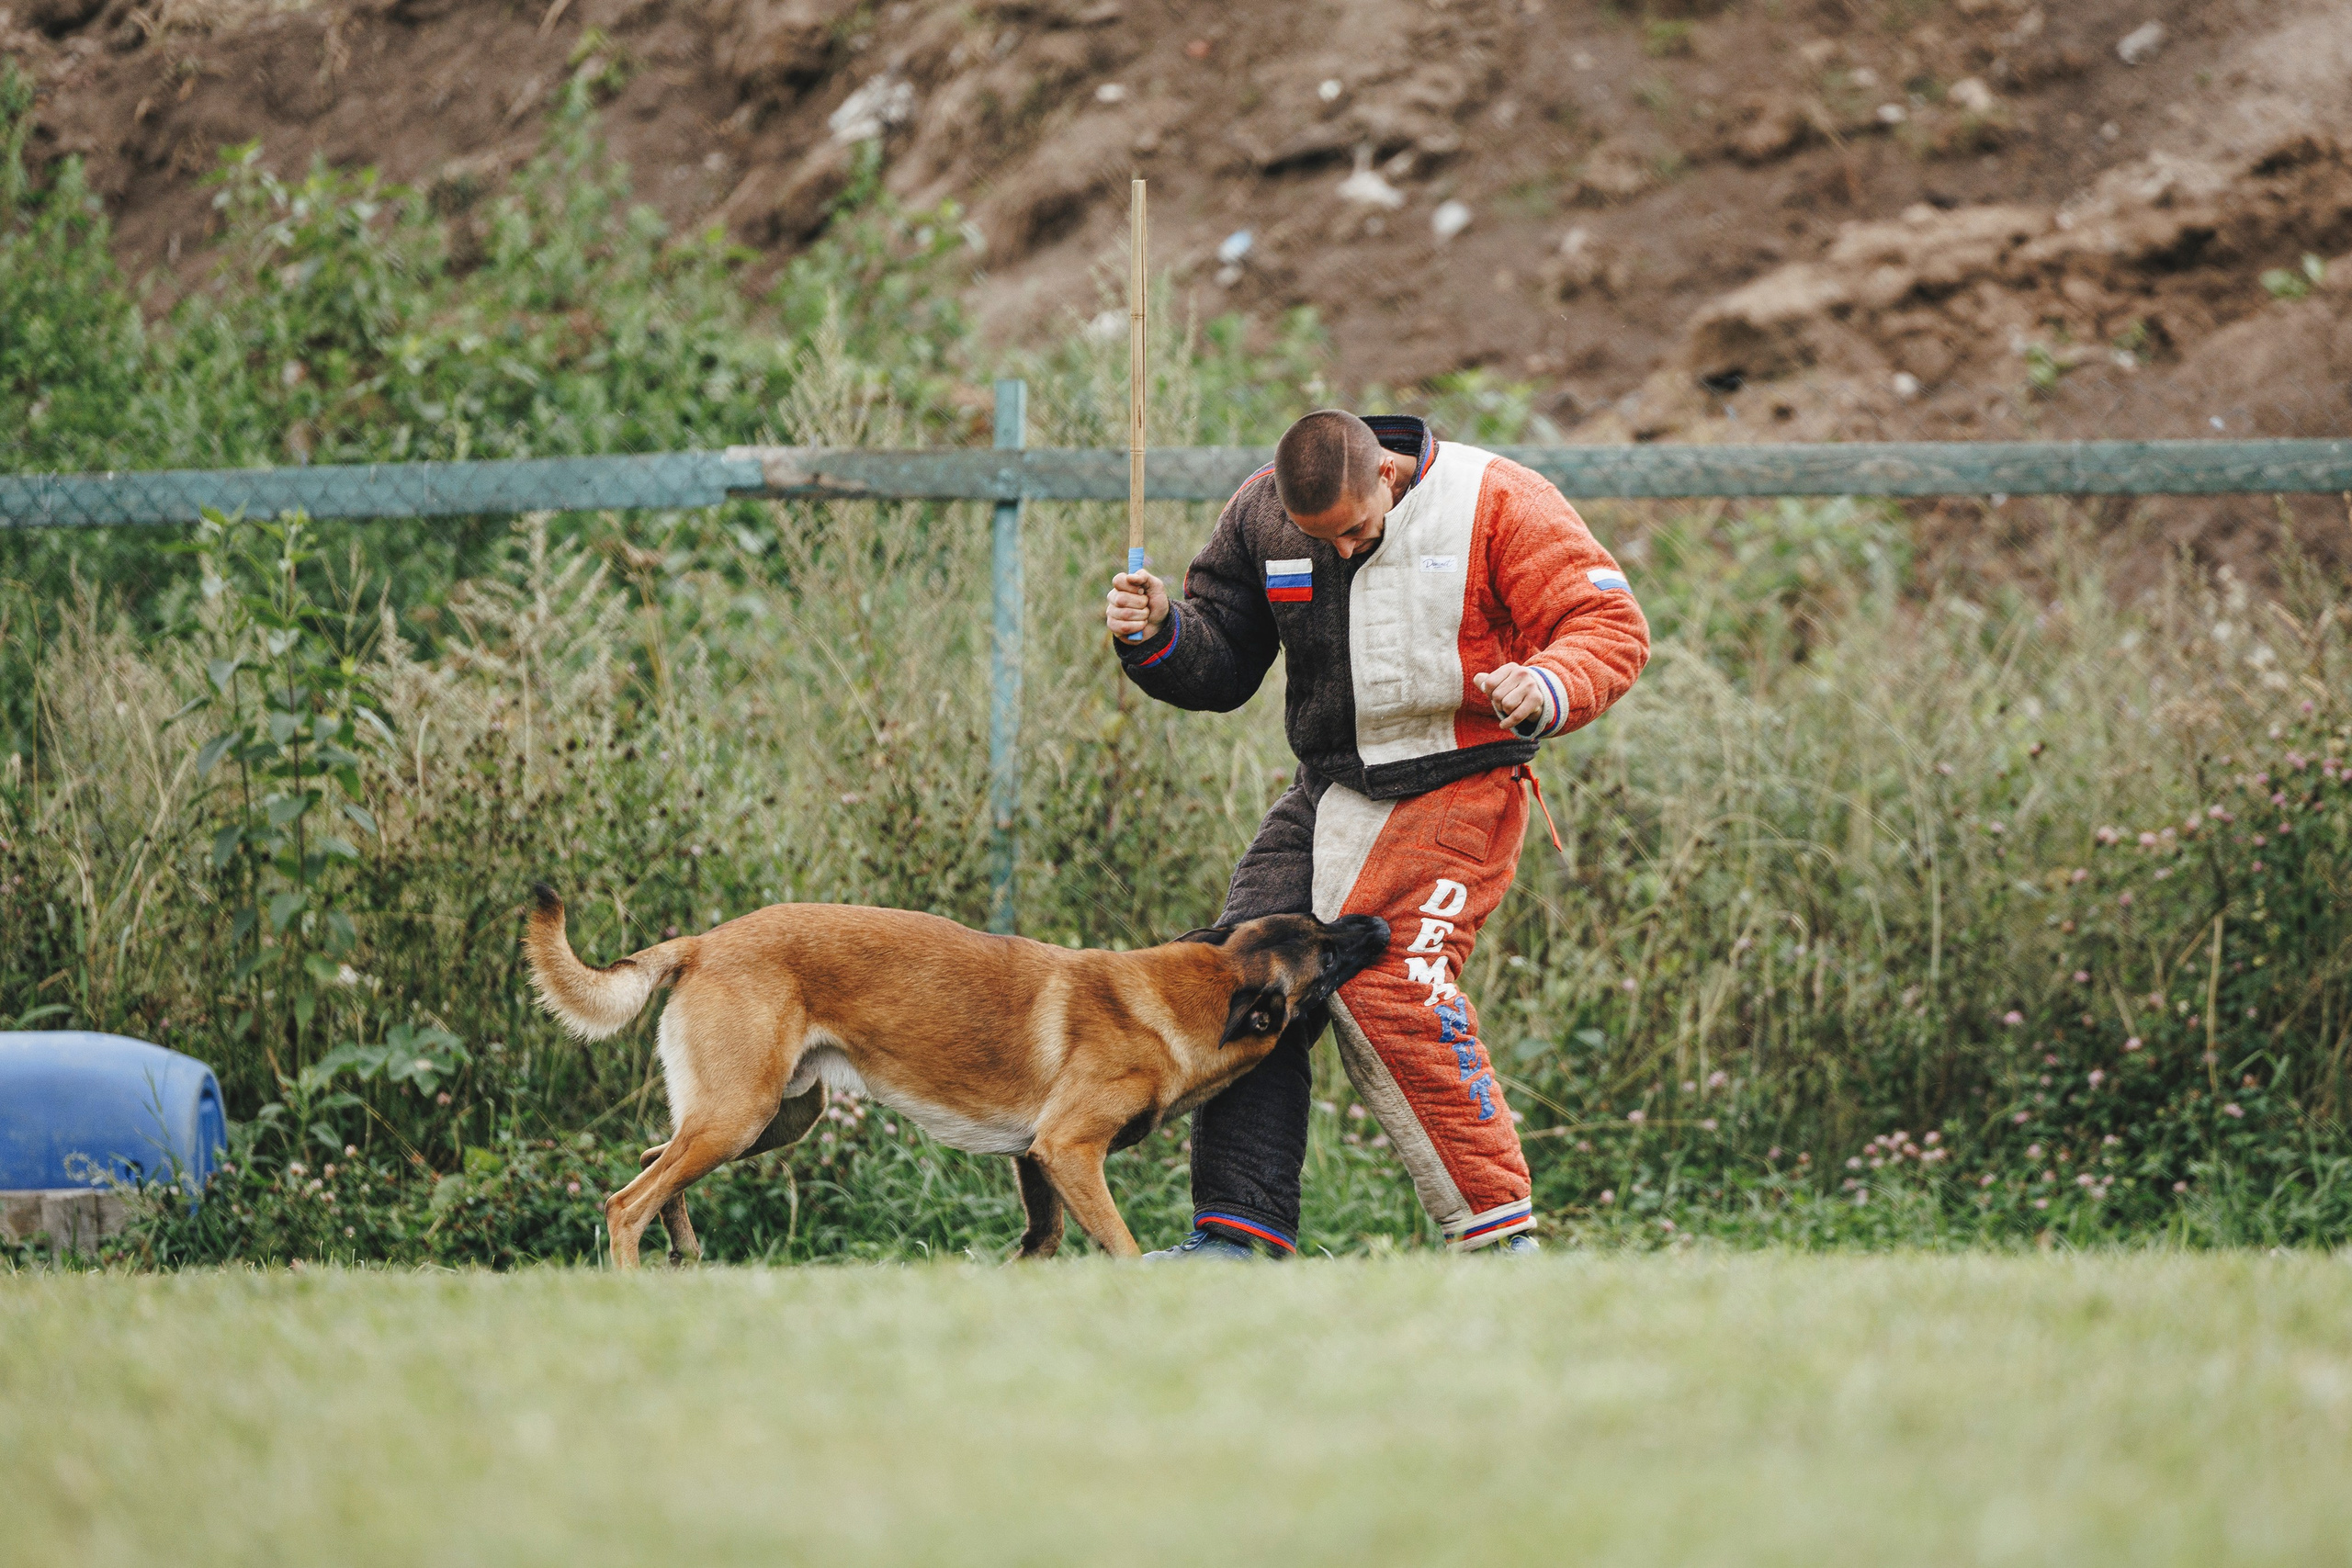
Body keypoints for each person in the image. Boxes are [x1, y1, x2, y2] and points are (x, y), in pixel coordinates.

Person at [1104, 410, 1648, 1258]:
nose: (1344, 549)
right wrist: (1159, 632)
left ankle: (1500, 1236)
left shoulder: (1499, 499)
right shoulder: (1259, 512)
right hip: (1329, 788)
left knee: (1389, 986)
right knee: (1242, 978)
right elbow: (1223, 661)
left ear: (1387, 475)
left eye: (1356, 531)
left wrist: (1548, 682)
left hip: (1460, 782)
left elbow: (1610, 626)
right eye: (1321, 539)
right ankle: (1235, 1239)